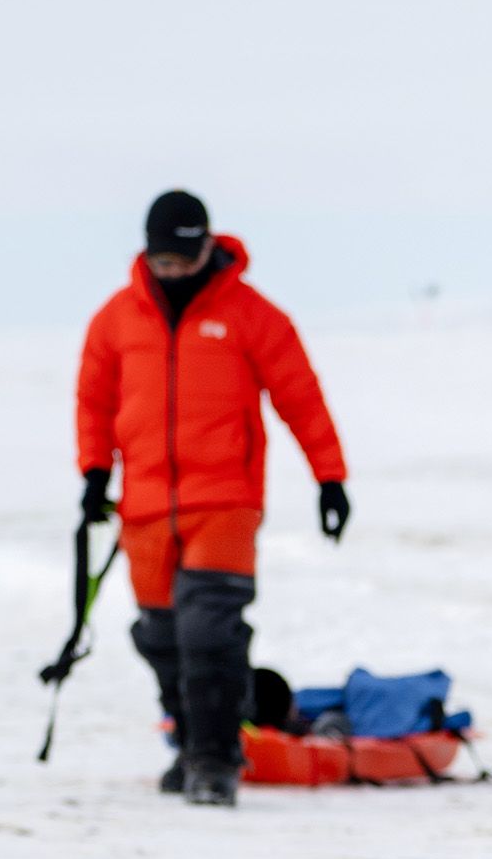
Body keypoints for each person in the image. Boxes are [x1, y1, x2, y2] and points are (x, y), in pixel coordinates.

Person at [75, 189, 350, 806]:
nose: (172, 270)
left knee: (209, 630)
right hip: (144, 505)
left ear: (206, 246)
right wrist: (95, 471)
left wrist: (329, 477)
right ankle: (189, 744)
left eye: (182, 258)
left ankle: (215, 761)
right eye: (162, 260)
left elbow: (300, 398)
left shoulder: (253, 316)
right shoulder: (116, 319)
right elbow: (93, 400)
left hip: (224, 500)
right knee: (160, 635)